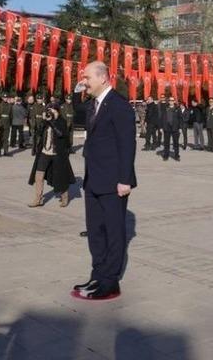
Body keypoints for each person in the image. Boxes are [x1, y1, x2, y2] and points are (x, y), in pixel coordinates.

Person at [74, 61, 137, 300]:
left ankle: (111, 281)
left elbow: (127, 145)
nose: (84, 81)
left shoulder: (119, 106)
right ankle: (98, 274)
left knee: (114, 232)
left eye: (87, 77)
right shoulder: (93, 104)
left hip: (113, 182)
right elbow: (76, 114)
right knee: (95, 231)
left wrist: (124, 180)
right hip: (93, 180)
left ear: (102, 78)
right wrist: (76, 91)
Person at [27, 102, 76, 207]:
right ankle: (38, 199)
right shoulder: (47, 121)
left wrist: (52, 122)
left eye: (52, 110)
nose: (50, 112)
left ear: (57, 111)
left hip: (57, 153)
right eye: (49, 110)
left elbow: (61, 134)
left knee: (60, 176)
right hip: (45, 152)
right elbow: (38, 133)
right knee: (39, 175)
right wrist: (44, 121)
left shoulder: (62, 122)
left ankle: (64, 196)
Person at [161, 97, 183, 161]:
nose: (171, 101)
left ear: (174, 101)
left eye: (172, 100)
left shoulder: (177, 109)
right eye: (170, 100)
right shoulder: (165, 108)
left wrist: (180, 128)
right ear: (169, 101)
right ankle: (166, 156)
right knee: (166, 143)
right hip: (167, 127)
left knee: (176, 143)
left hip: (175, 128)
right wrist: (161, 127)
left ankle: (176, 156)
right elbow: (162, 118)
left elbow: (180, 119)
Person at [0, 93, 13, 157]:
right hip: (1, 124)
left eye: (6, 97)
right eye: (4, 98)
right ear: (2, 98)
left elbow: (11, 116)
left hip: (7, 124)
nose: (5, 99)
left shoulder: (10, 106)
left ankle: (6, 151)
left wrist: (10, 124)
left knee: (6, 138)